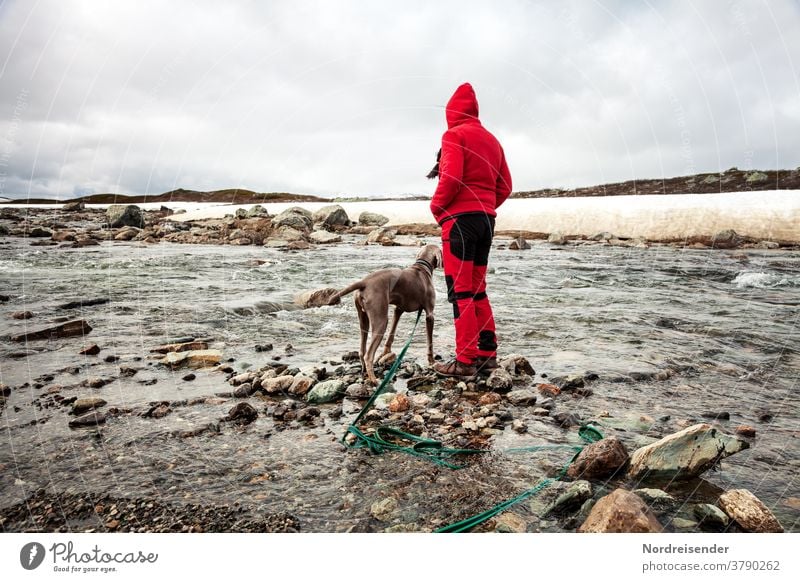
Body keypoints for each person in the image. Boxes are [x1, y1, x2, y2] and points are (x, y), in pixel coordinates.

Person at [428, 82, 512, 378]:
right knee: (478, 288)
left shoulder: (453, 135)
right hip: (486, 221)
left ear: (451, 112)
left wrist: (437, 208)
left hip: (460, 223)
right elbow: (506, 186)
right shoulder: (492, 140)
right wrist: (486, 205)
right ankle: (488, 356)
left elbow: (450, 179)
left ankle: (464, 361)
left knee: (461, 291)